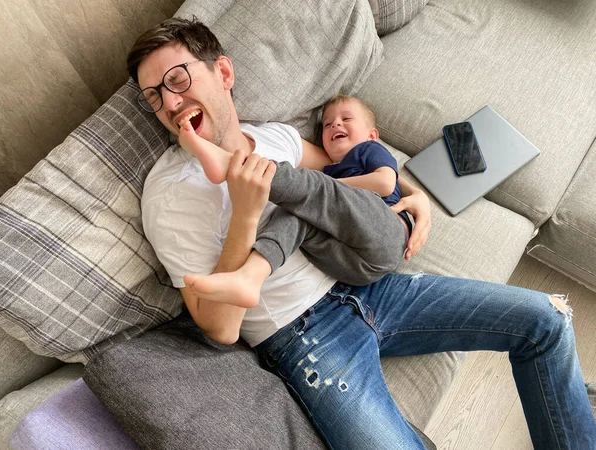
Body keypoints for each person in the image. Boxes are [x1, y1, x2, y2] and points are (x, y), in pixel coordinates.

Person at [132, 17, 596, 449]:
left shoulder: (278, 138)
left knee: (547, 321)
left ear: (224, 73)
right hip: (304, 335)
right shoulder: (168, 195)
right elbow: (219, 327)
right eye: (154, 96)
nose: (170, 104)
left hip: (373, 283)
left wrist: (413, 196)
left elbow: (348, 180)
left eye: (177, 80)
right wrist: (245, 218)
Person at [177, 94, 412, 308]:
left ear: (372, 134)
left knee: (310, 189)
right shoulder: (331, 170)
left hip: (388, 232)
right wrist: (319, 193)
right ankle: (250, 277)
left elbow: (385, 184)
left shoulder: (368, 150)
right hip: (357, 269)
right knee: (297, 212)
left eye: (346, 118)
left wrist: (325, 188)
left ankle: (232, 165)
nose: (335, 125)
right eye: (328, 124)